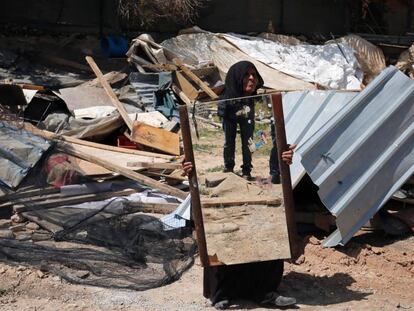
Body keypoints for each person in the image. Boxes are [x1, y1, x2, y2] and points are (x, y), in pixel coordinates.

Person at [181, 144, 297, 310]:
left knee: (268, 225)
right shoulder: (222, 124)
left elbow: (270, 158)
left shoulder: (267, 126)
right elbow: (195, 159)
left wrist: (284, 161)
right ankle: (222, 292)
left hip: (260, 183)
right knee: (221, 230)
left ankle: (265, 291)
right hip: (219, 188)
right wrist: (189, 168)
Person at [217, 61, 264, 180]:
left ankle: (246, 170)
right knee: (229, 141)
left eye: (254, 74)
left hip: (246, 106)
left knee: (248, 141)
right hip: (229, 108)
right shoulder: (227, 98)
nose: (252, 78)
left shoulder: (249, 98)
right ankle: (228, 168)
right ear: (237, 77)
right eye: (246, 75)